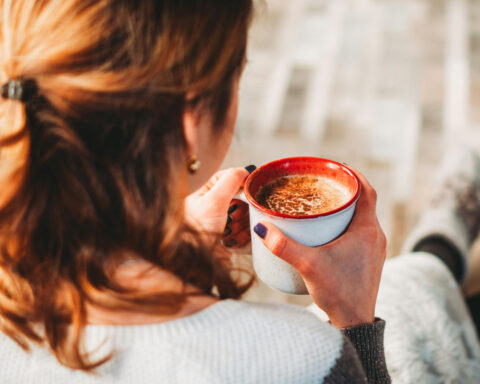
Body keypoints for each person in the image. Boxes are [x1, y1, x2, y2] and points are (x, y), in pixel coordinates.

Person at [0, 1, 391, 383]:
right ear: (191, 122)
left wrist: (167, 252)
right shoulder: (302, 358)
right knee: (409, 286)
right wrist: (355, 321)